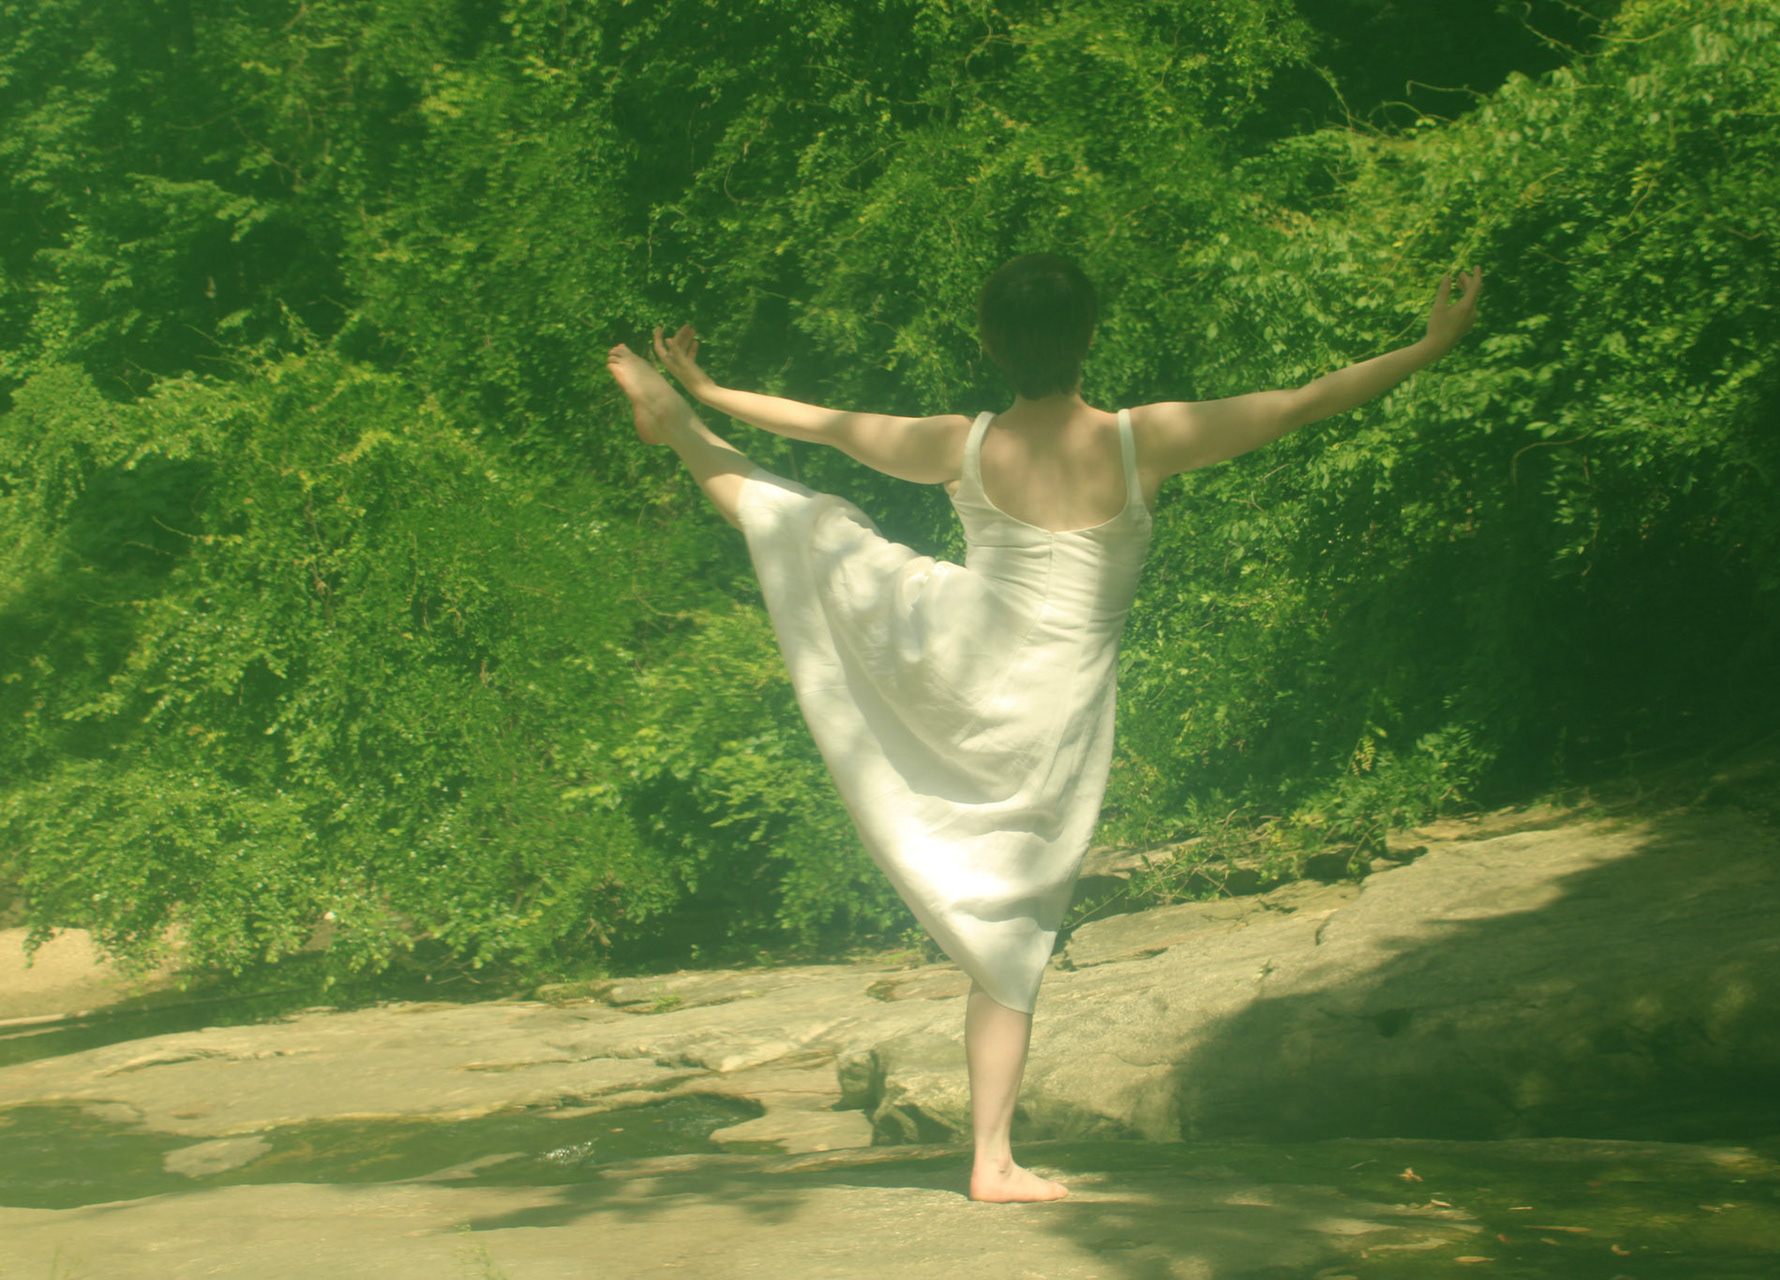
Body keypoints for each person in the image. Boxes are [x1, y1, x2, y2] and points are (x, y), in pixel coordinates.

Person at [606, 254, 1483, 1202]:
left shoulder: (962, 442)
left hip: (959, 659)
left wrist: (708, 393)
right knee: (1012, 933)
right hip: (1049, 713)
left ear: (990, 342)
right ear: (1089, 335)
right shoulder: (1144, 439)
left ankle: (679, 428)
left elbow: (827, 425)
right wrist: (1428, 346)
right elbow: (1302, 403)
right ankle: (991, 1161)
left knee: (810, 532)